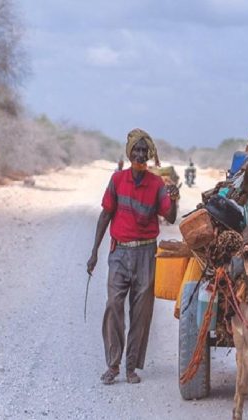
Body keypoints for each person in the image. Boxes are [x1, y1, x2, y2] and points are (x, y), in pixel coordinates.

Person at [86, 128, 179, 385]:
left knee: (141, 311)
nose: (139, 155)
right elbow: (105, 215)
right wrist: (94, 252)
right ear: (129, 154)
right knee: (114, 305)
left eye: (143, 151)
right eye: (135, 151)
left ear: (148, 156)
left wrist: (175, 199)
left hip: (147, 252)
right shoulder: (117, 181)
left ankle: (131, 368)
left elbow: (169, 217)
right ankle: (113, 365)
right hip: (119, 252)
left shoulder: (157, 184)